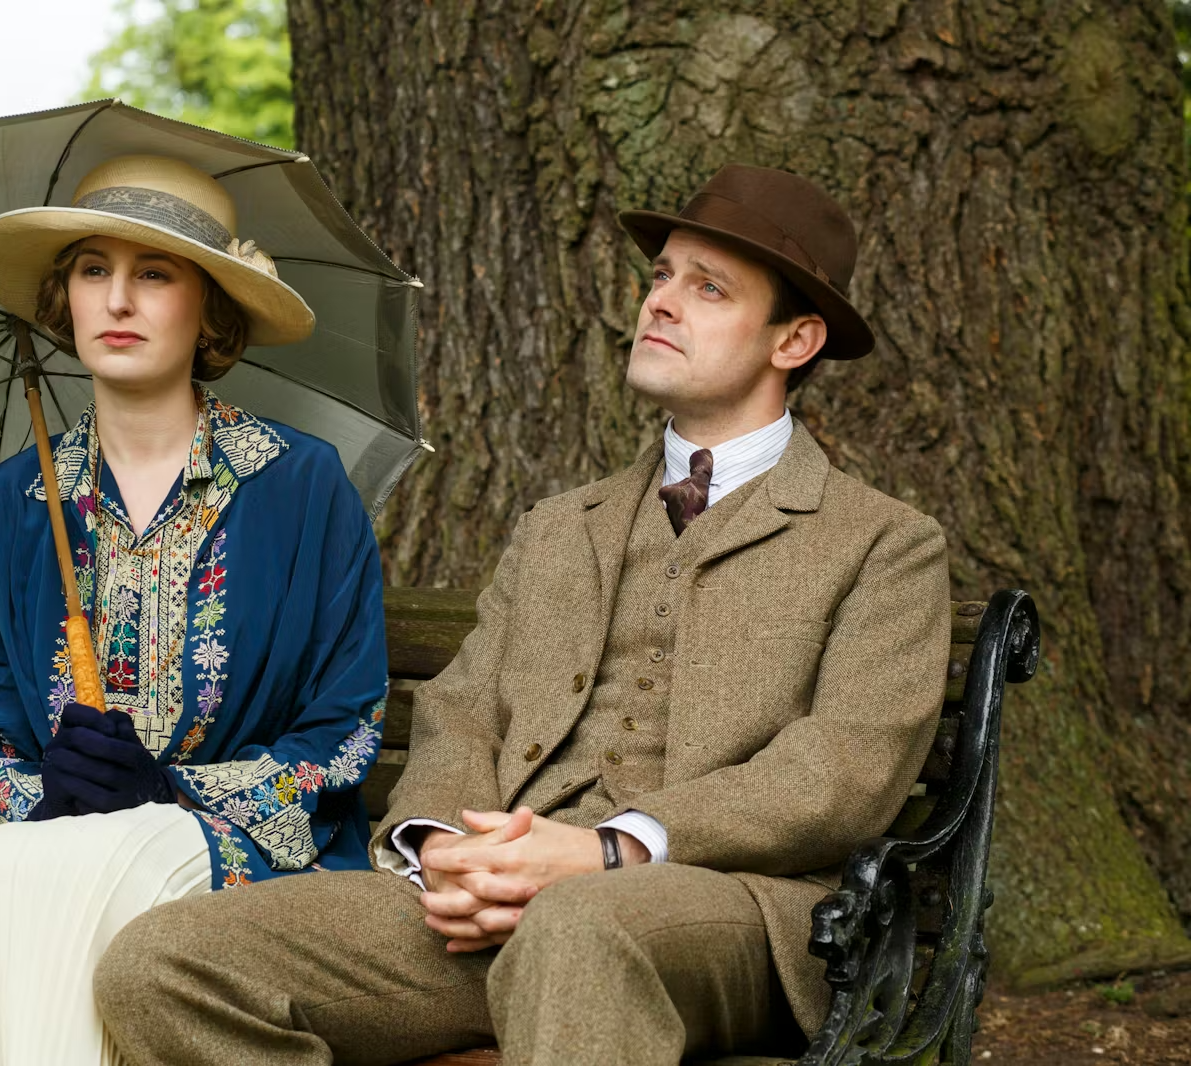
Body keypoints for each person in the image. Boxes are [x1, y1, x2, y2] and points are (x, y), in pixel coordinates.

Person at [92, 164, 952, 1064]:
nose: (661, 302)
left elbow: (841, 769)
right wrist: (441, 850)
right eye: (661, 276)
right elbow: (463, 712)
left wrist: (612, 850)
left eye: (708, 288)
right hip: (494, 898)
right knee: (168, 962)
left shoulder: (882, 543)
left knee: (580, 927)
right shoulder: (556, 527)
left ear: (795, 340)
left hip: (725, 912)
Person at [0, 155, 389, 1066]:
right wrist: (53, 799)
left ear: (211, 311)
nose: (117, 300)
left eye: (152, 274)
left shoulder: (301, 485)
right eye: (92, 271)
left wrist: (167, 795)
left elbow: (345, 733)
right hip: (57, 859)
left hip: (261, 862)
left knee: (51, 882)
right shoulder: (8, 506)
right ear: (63, 300)